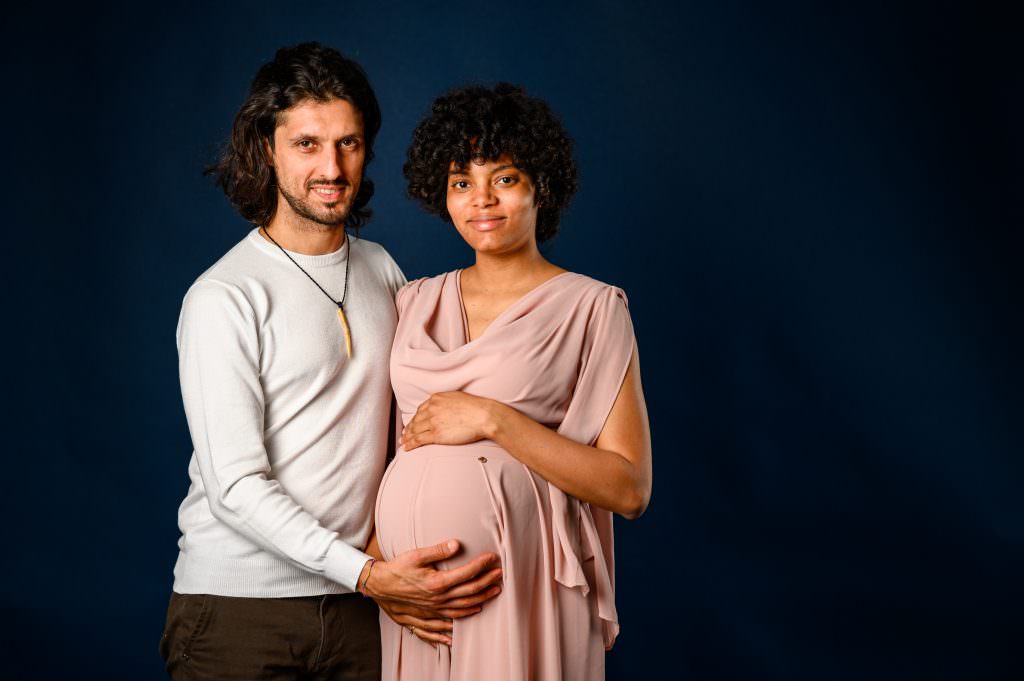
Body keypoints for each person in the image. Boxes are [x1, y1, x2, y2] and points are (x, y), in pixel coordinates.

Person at [160, 43, 501, 681]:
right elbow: (235, 486)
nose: (332, 166)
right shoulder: (225, 296)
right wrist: (368, 573)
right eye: (308, 144)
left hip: (363, 604)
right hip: (240, 610)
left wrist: (378, 566)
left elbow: (412, 429)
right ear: (267, 148)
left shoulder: (383, 270)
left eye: (348, 143)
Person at [367, 83, 653, 680]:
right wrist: (381, 573)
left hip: (523, 586)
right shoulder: (412, 301)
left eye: (504, 178)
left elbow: (629, 489)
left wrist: (494, 419)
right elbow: (391, 453)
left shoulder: (593, 308)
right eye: (461, 183)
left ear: (539, 186)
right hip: (416, 600)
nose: (482, 201)